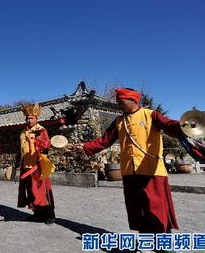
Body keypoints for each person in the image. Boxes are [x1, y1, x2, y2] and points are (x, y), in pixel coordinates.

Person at [75, 88, 180, 234]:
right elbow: (105, 140)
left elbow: (169, 125)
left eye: (121, 101)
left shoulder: (150, 115)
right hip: (130, 171)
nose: (118, 105)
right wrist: (86, 146)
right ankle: (145, 240)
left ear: (132, 100)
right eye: (117, 101)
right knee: (137, 208)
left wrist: (184, 126)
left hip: (152, 170)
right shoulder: (119, 121)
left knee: (157, 207)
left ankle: (164, 242)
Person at [15, 103, 56, 225]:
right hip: (25, 166)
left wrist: (39, 143)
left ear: (36, 118)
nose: (29, 120)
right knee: (31, 192)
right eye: (27, 118)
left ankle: (49, 216)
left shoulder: (41, 130)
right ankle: (37, 214)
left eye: (31, 118)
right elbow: (21, 149)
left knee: (42, 191)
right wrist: (17, 160)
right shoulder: (23, 132)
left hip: (37, 165)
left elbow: (46, 146)